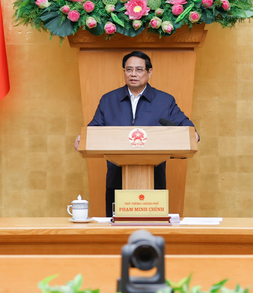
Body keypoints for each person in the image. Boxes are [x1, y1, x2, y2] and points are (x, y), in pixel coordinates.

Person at [75, 51, 197, 216]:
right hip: (116, 179)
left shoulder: (165, 101)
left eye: (139, 69)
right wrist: (83, 139)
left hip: (154, 180)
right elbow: (93, 130)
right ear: (124, 72)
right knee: (117, 233)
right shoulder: (108, 100)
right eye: (128, 69)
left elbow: (187, 128)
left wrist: (193, 136)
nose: (133, 74)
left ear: (149, 72)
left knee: (151, 232)